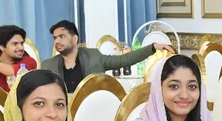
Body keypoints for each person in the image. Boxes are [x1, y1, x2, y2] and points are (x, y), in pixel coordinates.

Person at [41, 20, 176, 93]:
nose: (57, 41)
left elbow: (123, 60)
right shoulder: (47, 65)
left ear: (75, 38)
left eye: (61, 37)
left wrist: (152, 47)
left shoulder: (94, 56)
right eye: (55, 38)